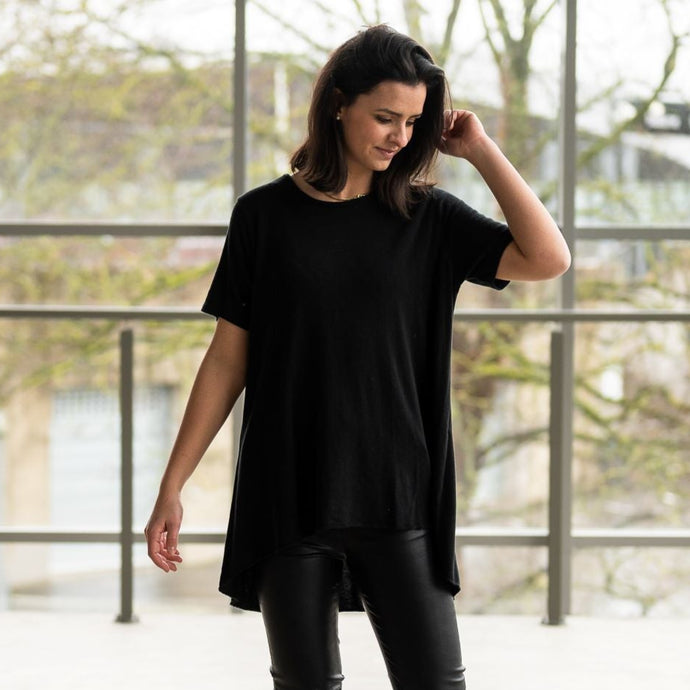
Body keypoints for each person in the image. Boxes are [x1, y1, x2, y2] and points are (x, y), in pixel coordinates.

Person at [144, 24, 570, 690]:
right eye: (385, 117)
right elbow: (227, 359)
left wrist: (481, 150)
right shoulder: (263, 216)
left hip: (399, 494)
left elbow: (548, 258)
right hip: (288, 496)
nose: (400, 136)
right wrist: (173, 485)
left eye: (413, 122)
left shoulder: (428, 218)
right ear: (339, 104)